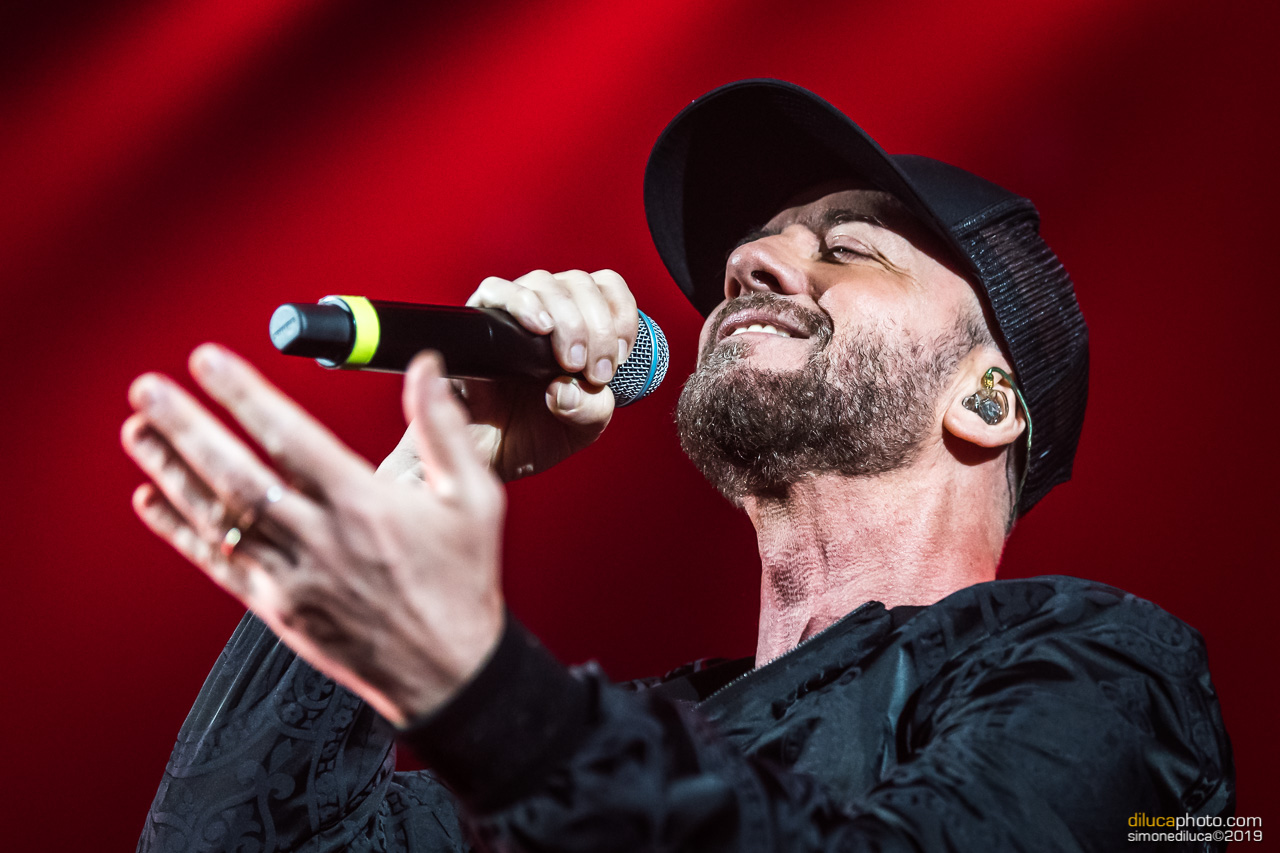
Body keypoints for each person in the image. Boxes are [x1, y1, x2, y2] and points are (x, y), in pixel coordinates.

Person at [125, 80, 1233, 852]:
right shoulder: (653, 729)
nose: (750, 257)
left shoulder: (1109, 675)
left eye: (847, 248)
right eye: (763, 242)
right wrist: (433, 459)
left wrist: (485, 692)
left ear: (985, 402)